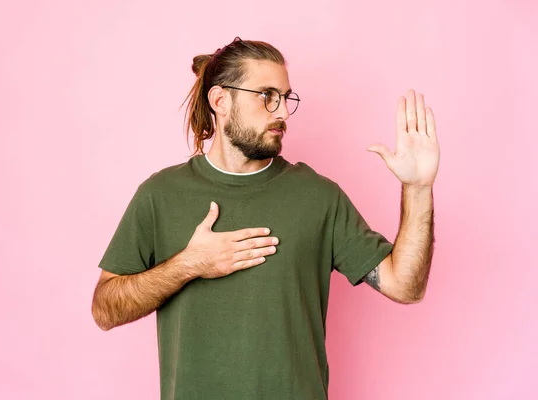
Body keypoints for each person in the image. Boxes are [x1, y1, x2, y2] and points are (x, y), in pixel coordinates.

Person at [91, 37, 439, 400]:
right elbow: (105, 309)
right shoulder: (159, 194)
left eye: (286, 98)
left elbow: (405, 286)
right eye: (267, 96)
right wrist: (188, 264)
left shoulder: (318, 196)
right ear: (220, 100)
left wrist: (418, 189)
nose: (283, 112)